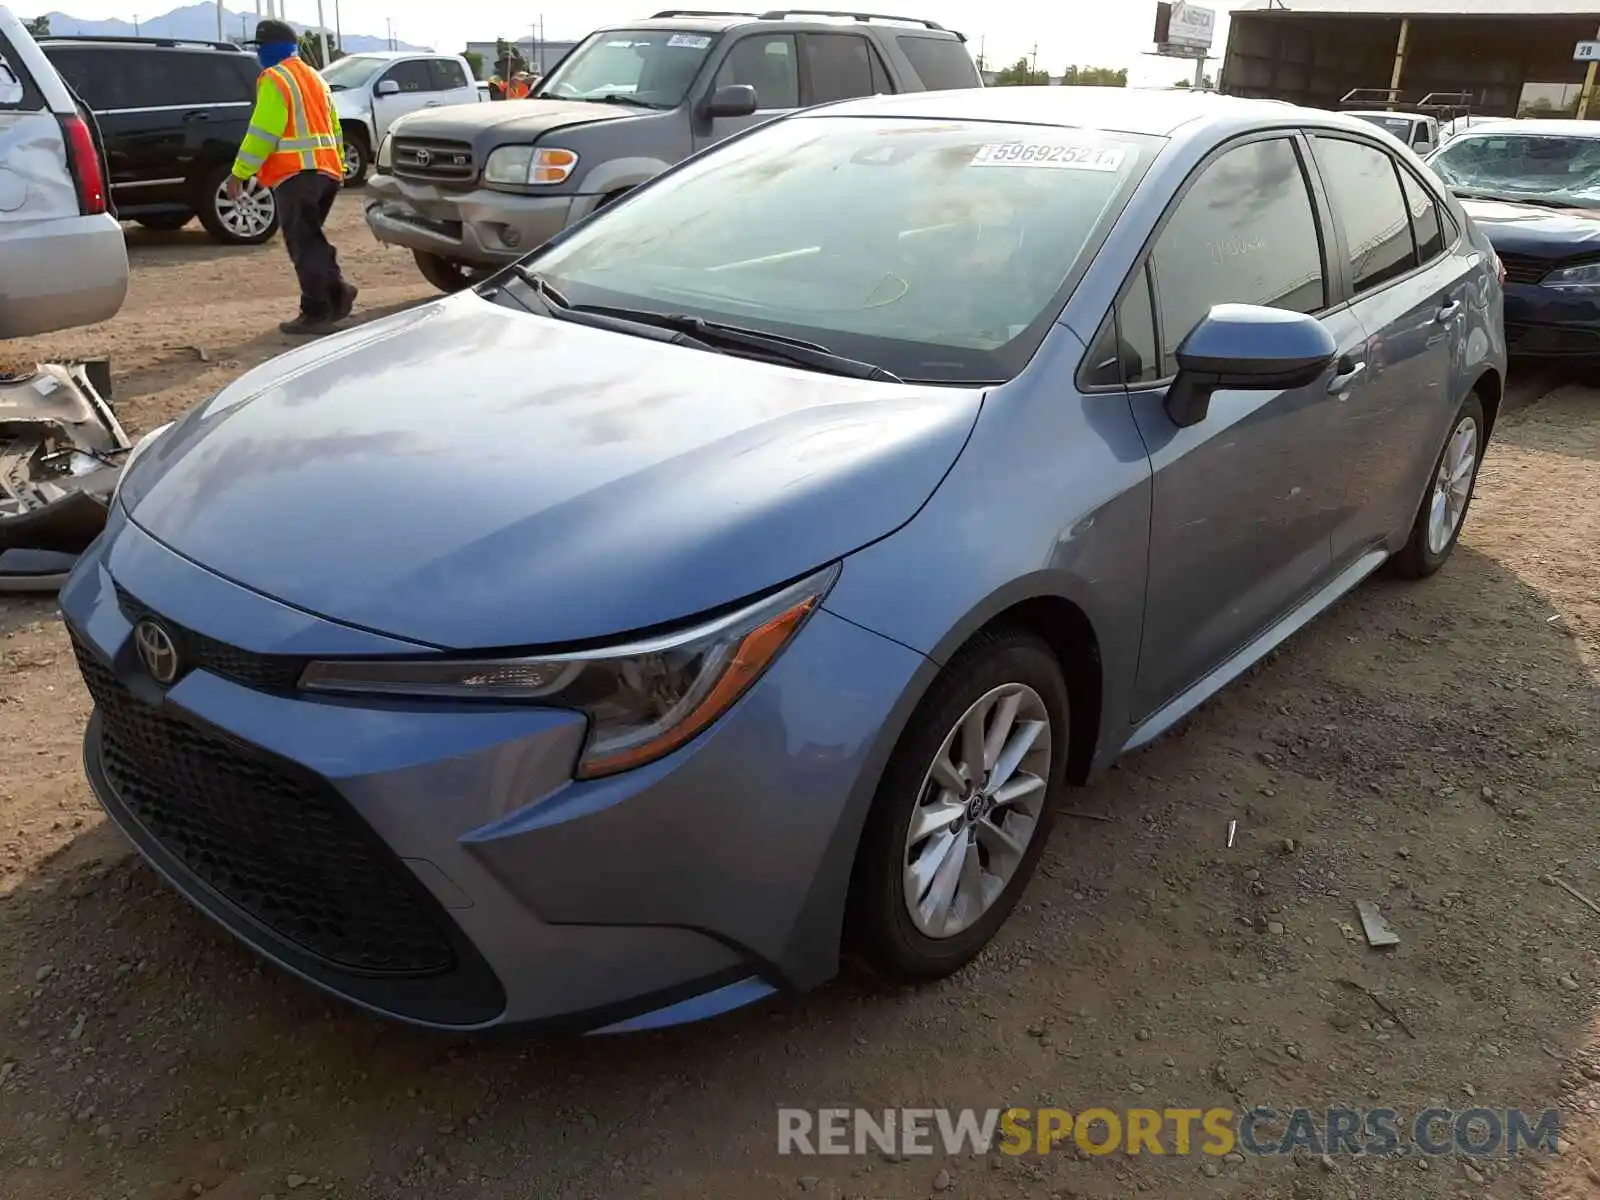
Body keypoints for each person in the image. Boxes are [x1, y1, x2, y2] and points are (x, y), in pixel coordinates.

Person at [228, 18, 356, 336]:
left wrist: (239, 173)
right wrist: (338, 167)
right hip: (326, 173)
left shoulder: (275, 78)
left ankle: (316, 311)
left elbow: (262, 132)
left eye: (260, 48)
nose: (258, 55)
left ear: (271, 48)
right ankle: (338, 292)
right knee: (311, 238)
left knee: (303, 244)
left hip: (296, 175)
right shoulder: (315, 78)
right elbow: (334, 127)